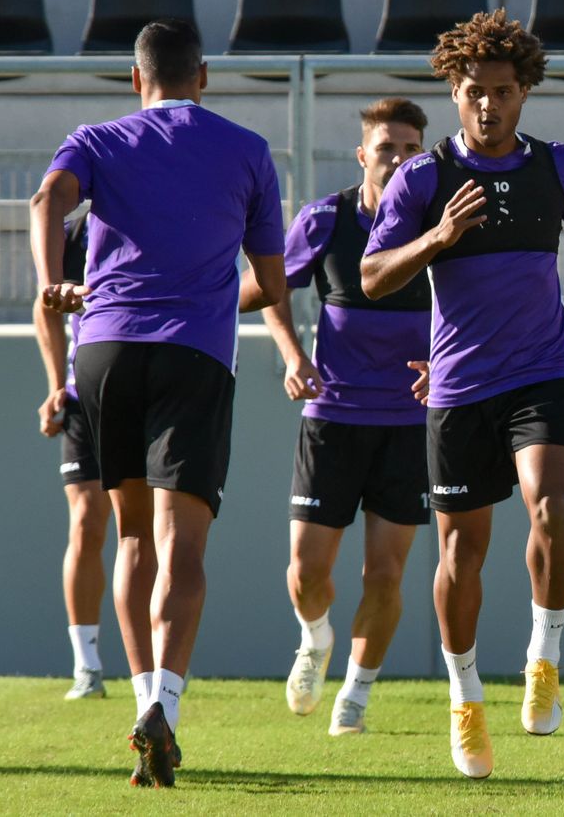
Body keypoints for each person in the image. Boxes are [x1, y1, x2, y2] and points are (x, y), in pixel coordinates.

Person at [359, 9, 564, 780]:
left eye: (504, 92)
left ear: (525, 93)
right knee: (461, 552)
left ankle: (544, 655)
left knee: (550, 506)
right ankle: (466, 696)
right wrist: (437, 239)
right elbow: (374, 278)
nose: (489, 106)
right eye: (475, 91)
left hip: (541, 373)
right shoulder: (424, 178)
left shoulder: (559, 166)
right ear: (453, 90)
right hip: (456, 390)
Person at [30, 18, 287, 788]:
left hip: (104, 352)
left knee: (132, 537)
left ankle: (140, 695)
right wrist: (207, 295)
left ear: (135, 80)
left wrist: (51, 280)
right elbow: (272, 285)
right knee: (184, 545)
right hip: (194, 354)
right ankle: (166, 708)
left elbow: (48, 197)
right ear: (203, 76)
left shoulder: (97, 139)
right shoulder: (247, 149)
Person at [237, 97, 433, 736]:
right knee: (307, 573)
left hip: (409, 425)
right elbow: (267, 287)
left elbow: (472, 308)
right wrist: (293, 354)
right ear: (363, 155)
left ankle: (355, 696)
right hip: (333, 418)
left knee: (385, 575)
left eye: (410, 148)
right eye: (387, 147)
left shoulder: (443, 228)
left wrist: (447, 368)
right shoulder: (327, 218)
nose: (398, 158)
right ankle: (315, 637)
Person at [32, 213, 113, 701]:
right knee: (86, 523)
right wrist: (55, 387)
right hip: (86, 398)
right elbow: (47, 305)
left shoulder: (155, 219)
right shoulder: (69, 232)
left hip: (149, 397)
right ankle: (87, 666)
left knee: (143, 528)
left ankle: (159, 666)